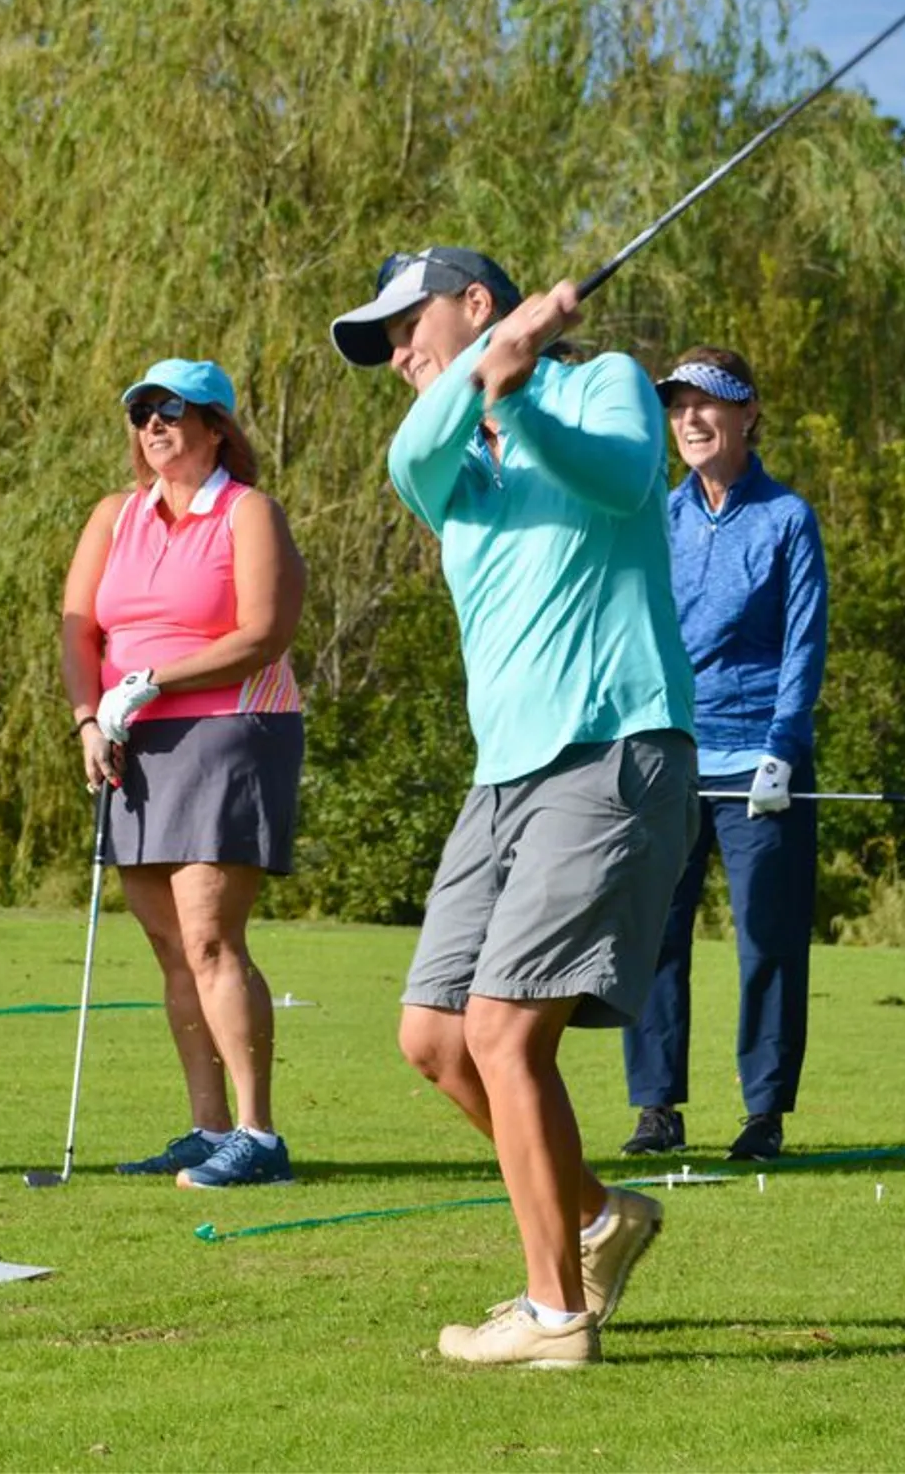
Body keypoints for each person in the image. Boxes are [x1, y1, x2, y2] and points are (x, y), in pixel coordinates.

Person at [331, 248, 699, 1367]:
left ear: (474, 302)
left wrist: (520, 390)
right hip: (503, 778)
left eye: (409, 326)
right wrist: (490, 370)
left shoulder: (604, 384)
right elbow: (408, 449)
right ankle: (596, 1218)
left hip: (612, 746)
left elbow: (629, 479)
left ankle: (555, 1314)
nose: (398, 355)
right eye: (385, 343)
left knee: (502, 1031)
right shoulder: (438, 457)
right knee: (436, 1037)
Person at [59, 358, 307, 1189]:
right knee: (169, 945)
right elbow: (79, 632)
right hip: (131, 740)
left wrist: (153, 682)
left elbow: (263, 634)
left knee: (209, 936)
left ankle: (257, 1134)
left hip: (231, 728)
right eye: (141, 412)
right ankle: (206, 1129)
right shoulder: (113, 517)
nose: (154, 424)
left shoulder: (247, 513)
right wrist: (89, 718)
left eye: (173, 410)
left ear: (216, 427)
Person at [619, 347, 828, 1164]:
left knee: (766, 941)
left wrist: (782, 744)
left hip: (758, 764)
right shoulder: (655, 517)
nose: (691, 421)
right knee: (652, 937)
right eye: (678, 408)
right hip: (669, 755)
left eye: (709, 405)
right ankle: (655, 1107)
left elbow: (801, 643)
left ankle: (764, 1113)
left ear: (747, 415)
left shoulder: (785, 518)